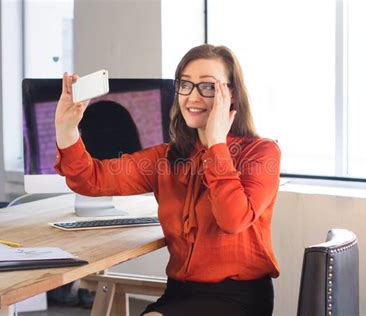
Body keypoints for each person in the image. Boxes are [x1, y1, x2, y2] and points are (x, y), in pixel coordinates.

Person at [54, 44, 281, 316]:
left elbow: (232, 219)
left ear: (231, 94)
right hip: (177, 293)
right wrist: (66, 128)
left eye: (207, 87)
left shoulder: (261, 152)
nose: (193, 97)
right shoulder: (166, 157)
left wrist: (216, 144)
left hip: (238, 298)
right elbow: (90, 180)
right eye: (185, 85)